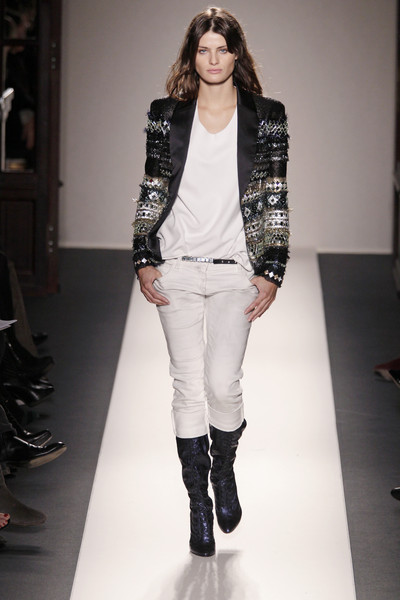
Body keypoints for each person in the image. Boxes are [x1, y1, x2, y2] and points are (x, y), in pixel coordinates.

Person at [132, 7, 289, 557]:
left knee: (223, 384)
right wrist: (143, 254)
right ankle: (198, 504)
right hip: (175, 267)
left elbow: (275, 195)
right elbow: (152, 187)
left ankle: (223, 468)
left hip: (235, 269)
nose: (214, 59)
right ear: (192, 55)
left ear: (237, 54)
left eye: (223, 49)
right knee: (186, 386)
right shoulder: (166, 115)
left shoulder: (267, 116)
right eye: (204, 50)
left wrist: (272, 269)